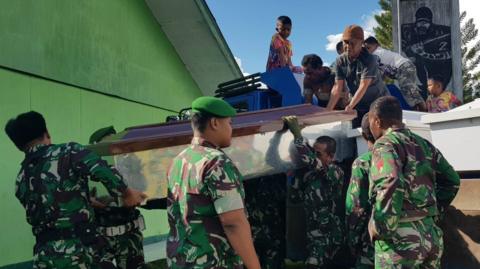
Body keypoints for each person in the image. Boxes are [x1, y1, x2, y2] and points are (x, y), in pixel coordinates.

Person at [4, 111, 146, 269]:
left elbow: (51, 208)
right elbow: (100, 168)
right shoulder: (68, 152)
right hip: (79, 252)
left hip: (44, 256)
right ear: (47, 133)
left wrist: (87, 202)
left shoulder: (21, 177)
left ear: (18, 146)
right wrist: (126, 194)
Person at [166, 96, 260, 269]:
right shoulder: (216, 162)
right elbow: (233, 222)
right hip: (213, 262)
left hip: (181, 261)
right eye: (230, 123)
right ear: (215, 123)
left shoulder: (178, 161)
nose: (231, 128)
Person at [368, 96, 460, 268]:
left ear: (377, 121)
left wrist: (381, 227)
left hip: (400, 241)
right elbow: (452, 180)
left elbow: (390, 180)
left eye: (370, 121)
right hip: (430, 235)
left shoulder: (384, 145)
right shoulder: (423, 144)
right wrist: (433, 211)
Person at [284, 116, 345, 269]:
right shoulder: (309, 175)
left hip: (329, 234)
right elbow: (295, 198)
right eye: (314, 151)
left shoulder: (335, 171)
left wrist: (298, 136)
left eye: (319, 154)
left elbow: (310, 160)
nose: (315, 156)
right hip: (313, 233)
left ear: (330, 157)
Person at [89, 126, 146, 269]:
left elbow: (146, 194)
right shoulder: (88, 173)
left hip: (129, 236)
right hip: (101, 238)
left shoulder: (131, 169)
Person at [327, 25, 388, 128]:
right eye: (346, 42)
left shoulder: (369, 59)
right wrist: (328, 110)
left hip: (379, 103)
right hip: (358, 106)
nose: (348, 46)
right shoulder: (340, 61)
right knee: (354, 133)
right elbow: (337, 87)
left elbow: (363, 85)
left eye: (352, 43)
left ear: (361, 43)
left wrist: (350, 106)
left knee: (377, 132)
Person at [364, 36, 426, 111]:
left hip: (404, 67)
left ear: (377, 46)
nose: (367, 52)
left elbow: (373, 71)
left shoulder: (376, 53)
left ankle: (424, 110)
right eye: (365, 50)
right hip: (404, 67)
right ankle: (416, 109)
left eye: (368, 48)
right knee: (407, 91)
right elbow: (381, 75)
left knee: (408, 89)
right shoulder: (380, 56)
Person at [402, 6, 452, 99]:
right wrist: (409, 50)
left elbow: (449, 55)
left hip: (438, 66)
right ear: (416, 22)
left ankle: (437, 96)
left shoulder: (443, 32)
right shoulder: (406, 31)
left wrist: (423, 53)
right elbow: (403, 48)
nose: (422, 25)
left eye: (425, 22)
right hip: (420, 67)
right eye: (420, 22)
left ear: (430, 22)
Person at [345, 113, 375, 269]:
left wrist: (353, 241)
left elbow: (355, 209)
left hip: (373, 243)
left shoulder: (363, 163)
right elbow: (451, 181)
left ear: (363, 135)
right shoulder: (415, 153)